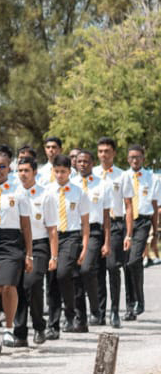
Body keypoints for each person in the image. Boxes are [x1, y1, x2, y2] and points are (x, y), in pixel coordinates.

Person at [0, 150, 33, 353]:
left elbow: (26, 225)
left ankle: (9, 328)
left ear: (9, 167)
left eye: (2, 166)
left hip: (11, 241)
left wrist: (29, 253)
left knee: (9, 286)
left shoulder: (18, 190)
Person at [48, 154, 91, 335]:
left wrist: (85, 247)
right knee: (52, 281)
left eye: (63, 172)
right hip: (52, 236)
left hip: (71, 236)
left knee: (63, 273)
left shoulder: (78, 192)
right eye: (57, 171)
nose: (60, 175)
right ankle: (53, 325)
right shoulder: (47, 191)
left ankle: (70, 311)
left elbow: (85, 223)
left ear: (69, 172)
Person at [12, 155, 53, 346]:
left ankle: (39, 326)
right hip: (16, 244)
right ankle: (20, 332)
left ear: (35, 172)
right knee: (18, 287)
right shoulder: (13, 193)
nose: (23, 174)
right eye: (20, 171)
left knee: (34, 283)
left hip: (39, 244)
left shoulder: (45, 195)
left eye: (26, 170)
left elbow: (52, 228)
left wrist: (54, 255)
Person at [94, 137, 134, 327]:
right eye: (100, 151)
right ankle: (100, 312)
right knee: (98, 270)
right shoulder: (92, 174)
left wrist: (129, 233)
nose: (103, 154)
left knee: (112, 267)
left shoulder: (122, 175)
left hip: (116, 226)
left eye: (107, 151)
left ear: (114, 153)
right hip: (96, 226)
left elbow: (128, 205)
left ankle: (115, 311)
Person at [73, 149, 111, 325]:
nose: (82, 164)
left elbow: (106, 217)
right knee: (75, 274)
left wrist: (107, 241)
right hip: (74, 231)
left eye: (86, 161)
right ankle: (79, 317)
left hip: (94, 231)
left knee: (87, 269)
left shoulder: (102, 185)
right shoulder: (70, 183)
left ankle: (96, 308)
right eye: (79, 161)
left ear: (92, 163)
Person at [124, 145, 155, 317]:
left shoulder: (151, 178)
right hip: (125, 222)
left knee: (134, 260)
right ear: (128, 159)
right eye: (131, 157)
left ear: (143, 158)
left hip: (143, 221)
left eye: (138, 157)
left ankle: (139, 300)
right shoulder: (124, 177)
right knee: (126, 264)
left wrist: (156, 231)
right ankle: (130, 306)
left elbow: (155, 204)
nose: (135, 160)